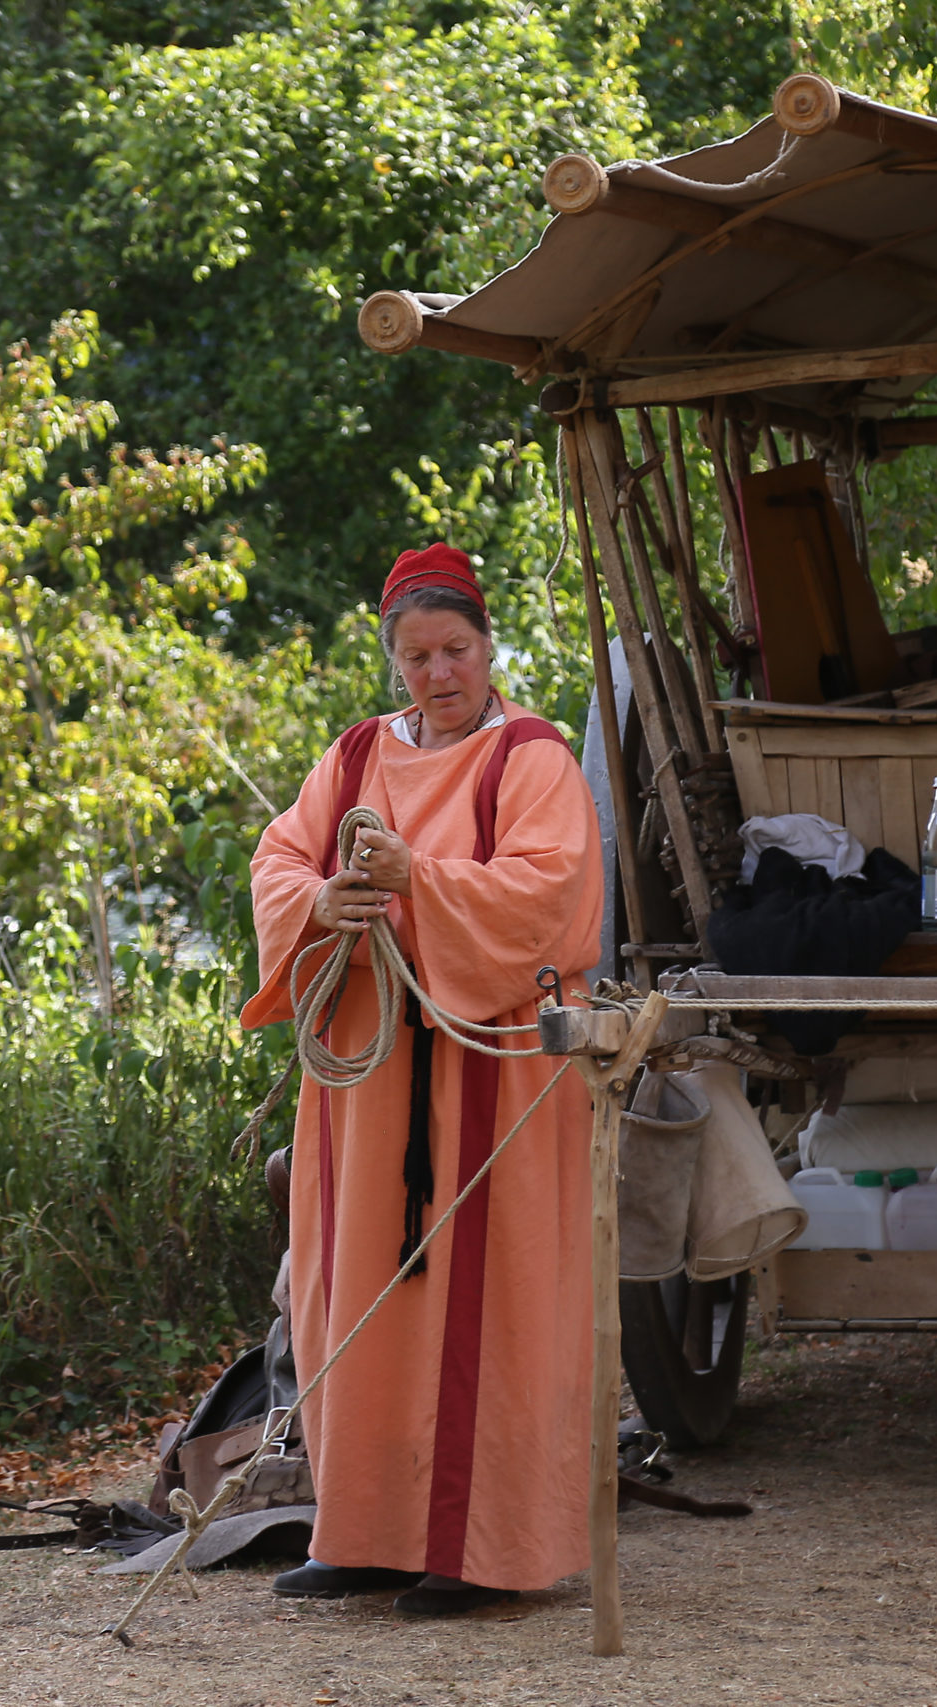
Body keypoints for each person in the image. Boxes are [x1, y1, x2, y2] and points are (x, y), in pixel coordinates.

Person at [242, 542, 604, 1617]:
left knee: (488, 1308)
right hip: (366, 1084)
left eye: (454, 650)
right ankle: (365, 1531)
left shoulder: (530, 759)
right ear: (393, 660)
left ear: (488, 648)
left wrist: (419, 888)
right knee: (355, 1295)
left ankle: (485, 1550)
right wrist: (323, 906)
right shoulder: (353, 759)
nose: (438, 674)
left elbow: (554, 901)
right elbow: (279, 861)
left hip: (487, 1087)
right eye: (415, 656)